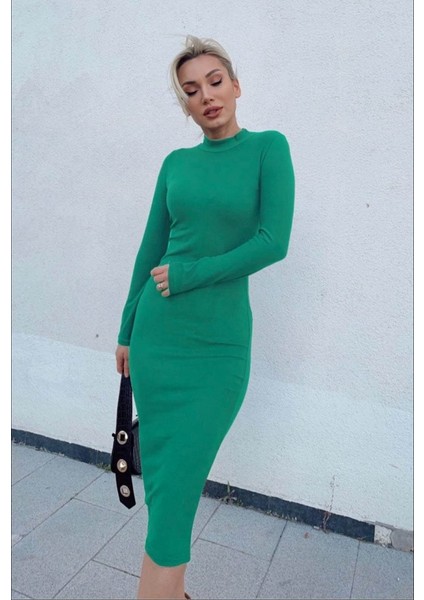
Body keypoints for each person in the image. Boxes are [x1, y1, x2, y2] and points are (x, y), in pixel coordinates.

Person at [115, 34, 295, 600]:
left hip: (218, 348)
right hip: (158, 340)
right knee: (166, 487)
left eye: (215, 82)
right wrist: (125, 330)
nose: (207, 96)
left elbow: (273, 242)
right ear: (186, 105)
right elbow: (150, 252)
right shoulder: (176, 164)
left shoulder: (268, 149)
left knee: (178, 481)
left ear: (236, 86)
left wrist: (191, 273)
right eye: (191, 91)